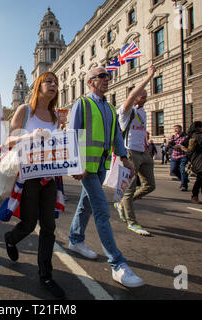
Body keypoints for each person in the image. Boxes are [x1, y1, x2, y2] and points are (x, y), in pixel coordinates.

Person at [67, 66, 144, 288]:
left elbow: (116, 136)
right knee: (102, 211)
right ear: (90, 82)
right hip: (87, 169)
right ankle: (118, 264)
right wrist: (77, 164)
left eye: (107, 76)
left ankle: (75, 239)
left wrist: (125, 158)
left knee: (86, 205)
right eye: (101, 76)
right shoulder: (82, 104)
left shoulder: (110, 107)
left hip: (102, 166)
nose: (106, 79)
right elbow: (72, 135)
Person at [3, 71, 66, 299]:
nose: (53, 85)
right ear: (38, 86)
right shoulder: (25, 111)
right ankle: (10, 239)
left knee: (48, 227)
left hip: (50, 179)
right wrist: (28, 137)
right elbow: (9, 141)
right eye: (48, 81)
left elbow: (59, 146)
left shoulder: (56, 117)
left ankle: (45, 276)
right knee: (29, 224)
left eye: (56, 83)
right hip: (28, 178)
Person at [114, 62, 156, 236]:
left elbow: (142, 131)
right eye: (141, 95)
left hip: (144, 153)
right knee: (129, 189)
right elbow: (131, 96)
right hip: (130, 152)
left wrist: (147, 144)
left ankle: (122, 203)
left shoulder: (144, 112)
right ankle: (132, 222)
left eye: (146, 95)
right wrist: (148, 77)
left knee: (150, 185)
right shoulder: (124, 111)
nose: (144, 97)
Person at [168, 125, 189, 191]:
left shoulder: (186, 136)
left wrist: (180, 146)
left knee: (182, 170)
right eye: (174, 129)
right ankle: (184, 179)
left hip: (183, 155)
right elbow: (170, 145)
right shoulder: (173, 137)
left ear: (180, 129)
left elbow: (188, 145)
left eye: (176, 129)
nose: (175, 130)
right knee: (173, 170)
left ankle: (184, 185)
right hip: (174, 156)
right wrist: (169, 145)